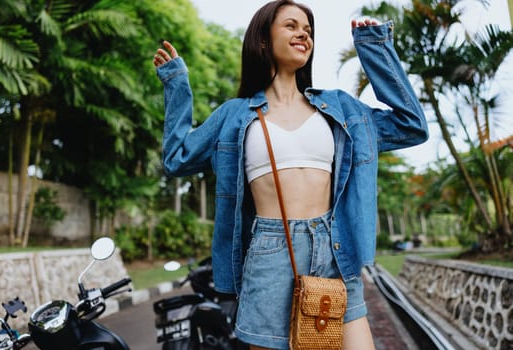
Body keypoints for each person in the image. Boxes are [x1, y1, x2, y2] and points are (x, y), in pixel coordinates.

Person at [153, 1, 428, 349]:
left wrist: (373, 47)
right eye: (291, 26)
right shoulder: (234, 115)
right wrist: (177, 85)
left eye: (308, 30)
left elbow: (412, 126)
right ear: (263, 41)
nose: (303, 34)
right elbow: (177, 159)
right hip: (270, 256)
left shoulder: (339, 107)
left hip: (334, 249)